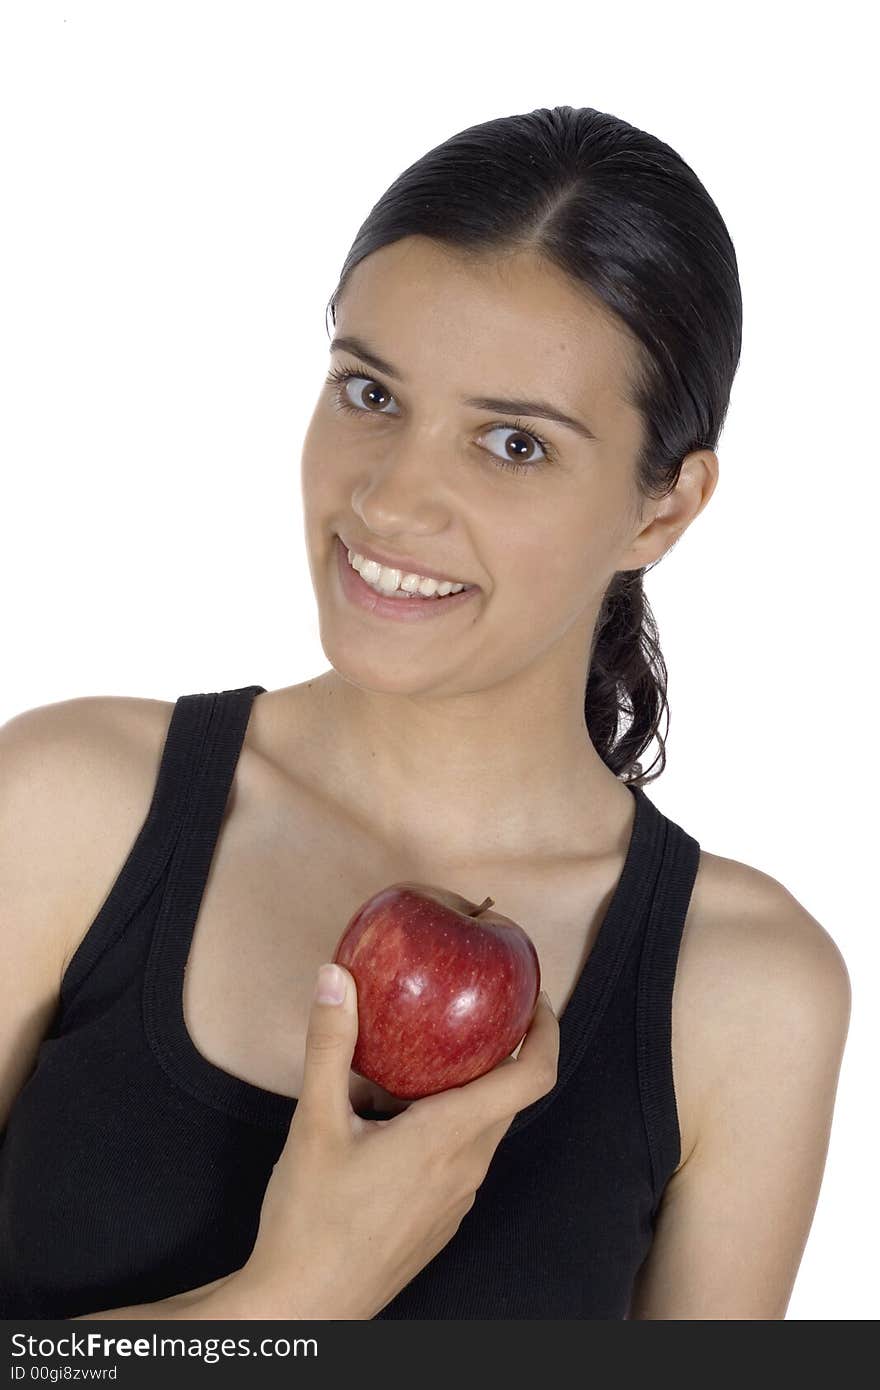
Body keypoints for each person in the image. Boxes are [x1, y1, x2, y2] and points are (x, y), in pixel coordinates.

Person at [0, 104, 850, 1321]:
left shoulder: (745, 991)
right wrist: (297, 1293)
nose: (393, 499)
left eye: (512, 442)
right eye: (369, 391)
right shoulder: (66, 808)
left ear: (662, 509)